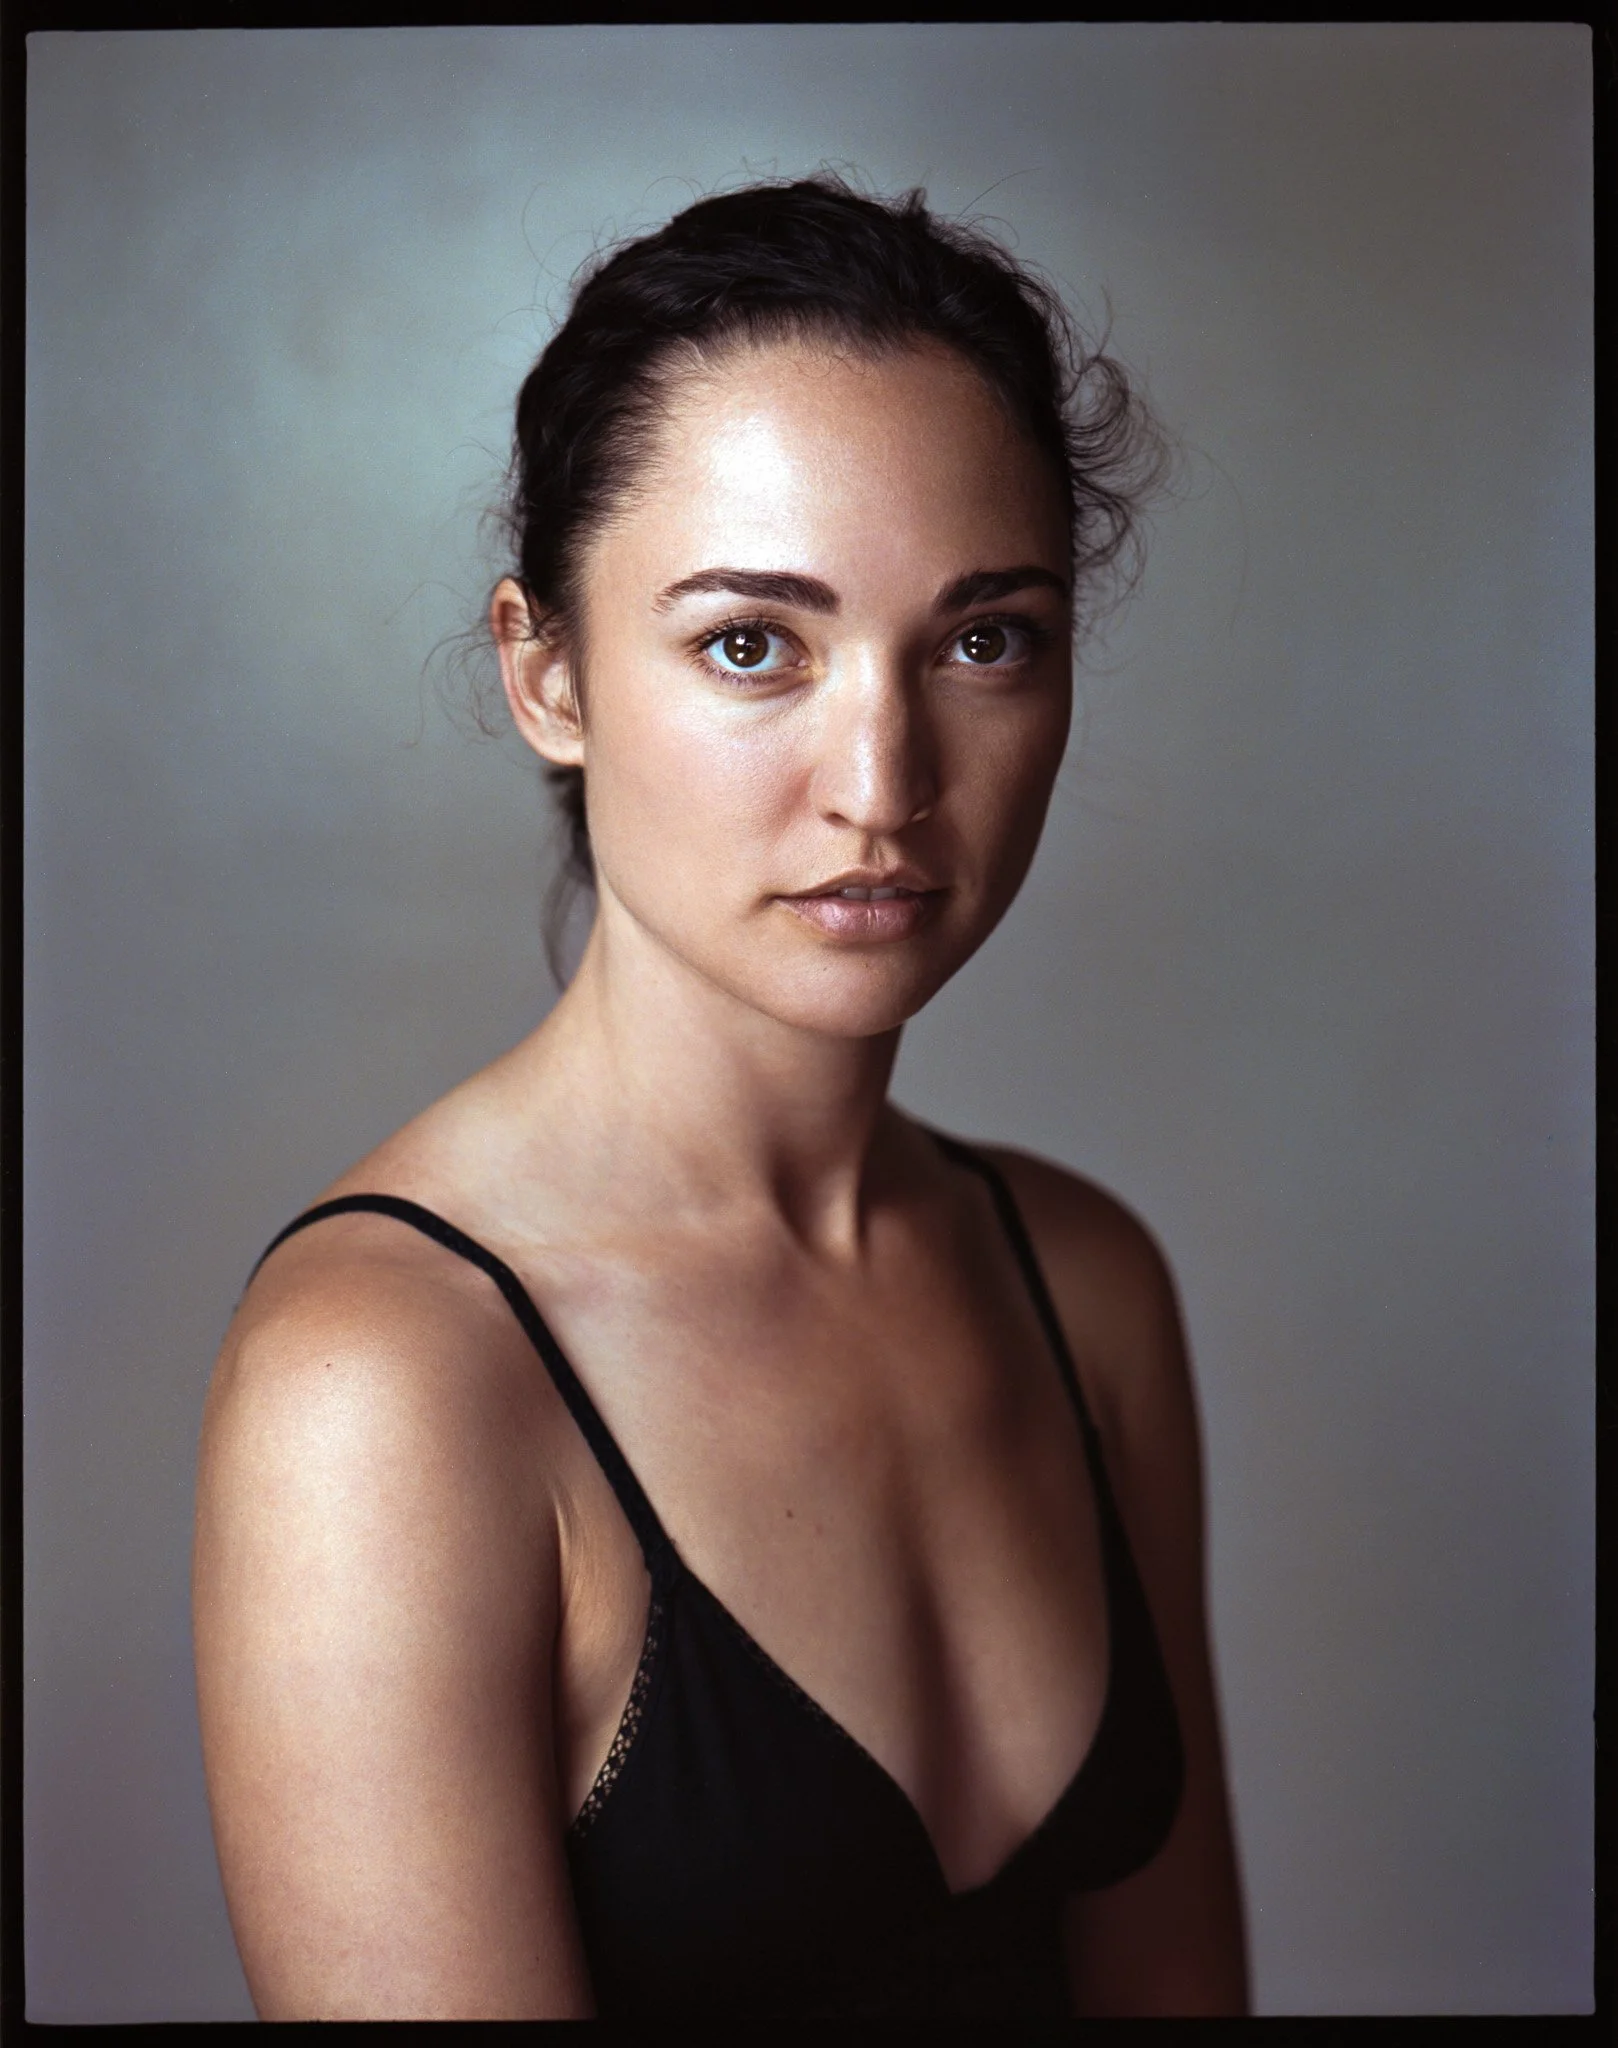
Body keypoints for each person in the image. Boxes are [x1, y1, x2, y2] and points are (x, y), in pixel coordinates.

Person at [191, 174, 1249, 2020]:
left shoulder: (1085, 1284)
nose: (881, 783)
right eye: (752, 643)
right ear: (547, 676)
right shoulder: (388, 1386)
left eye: (983, 638)